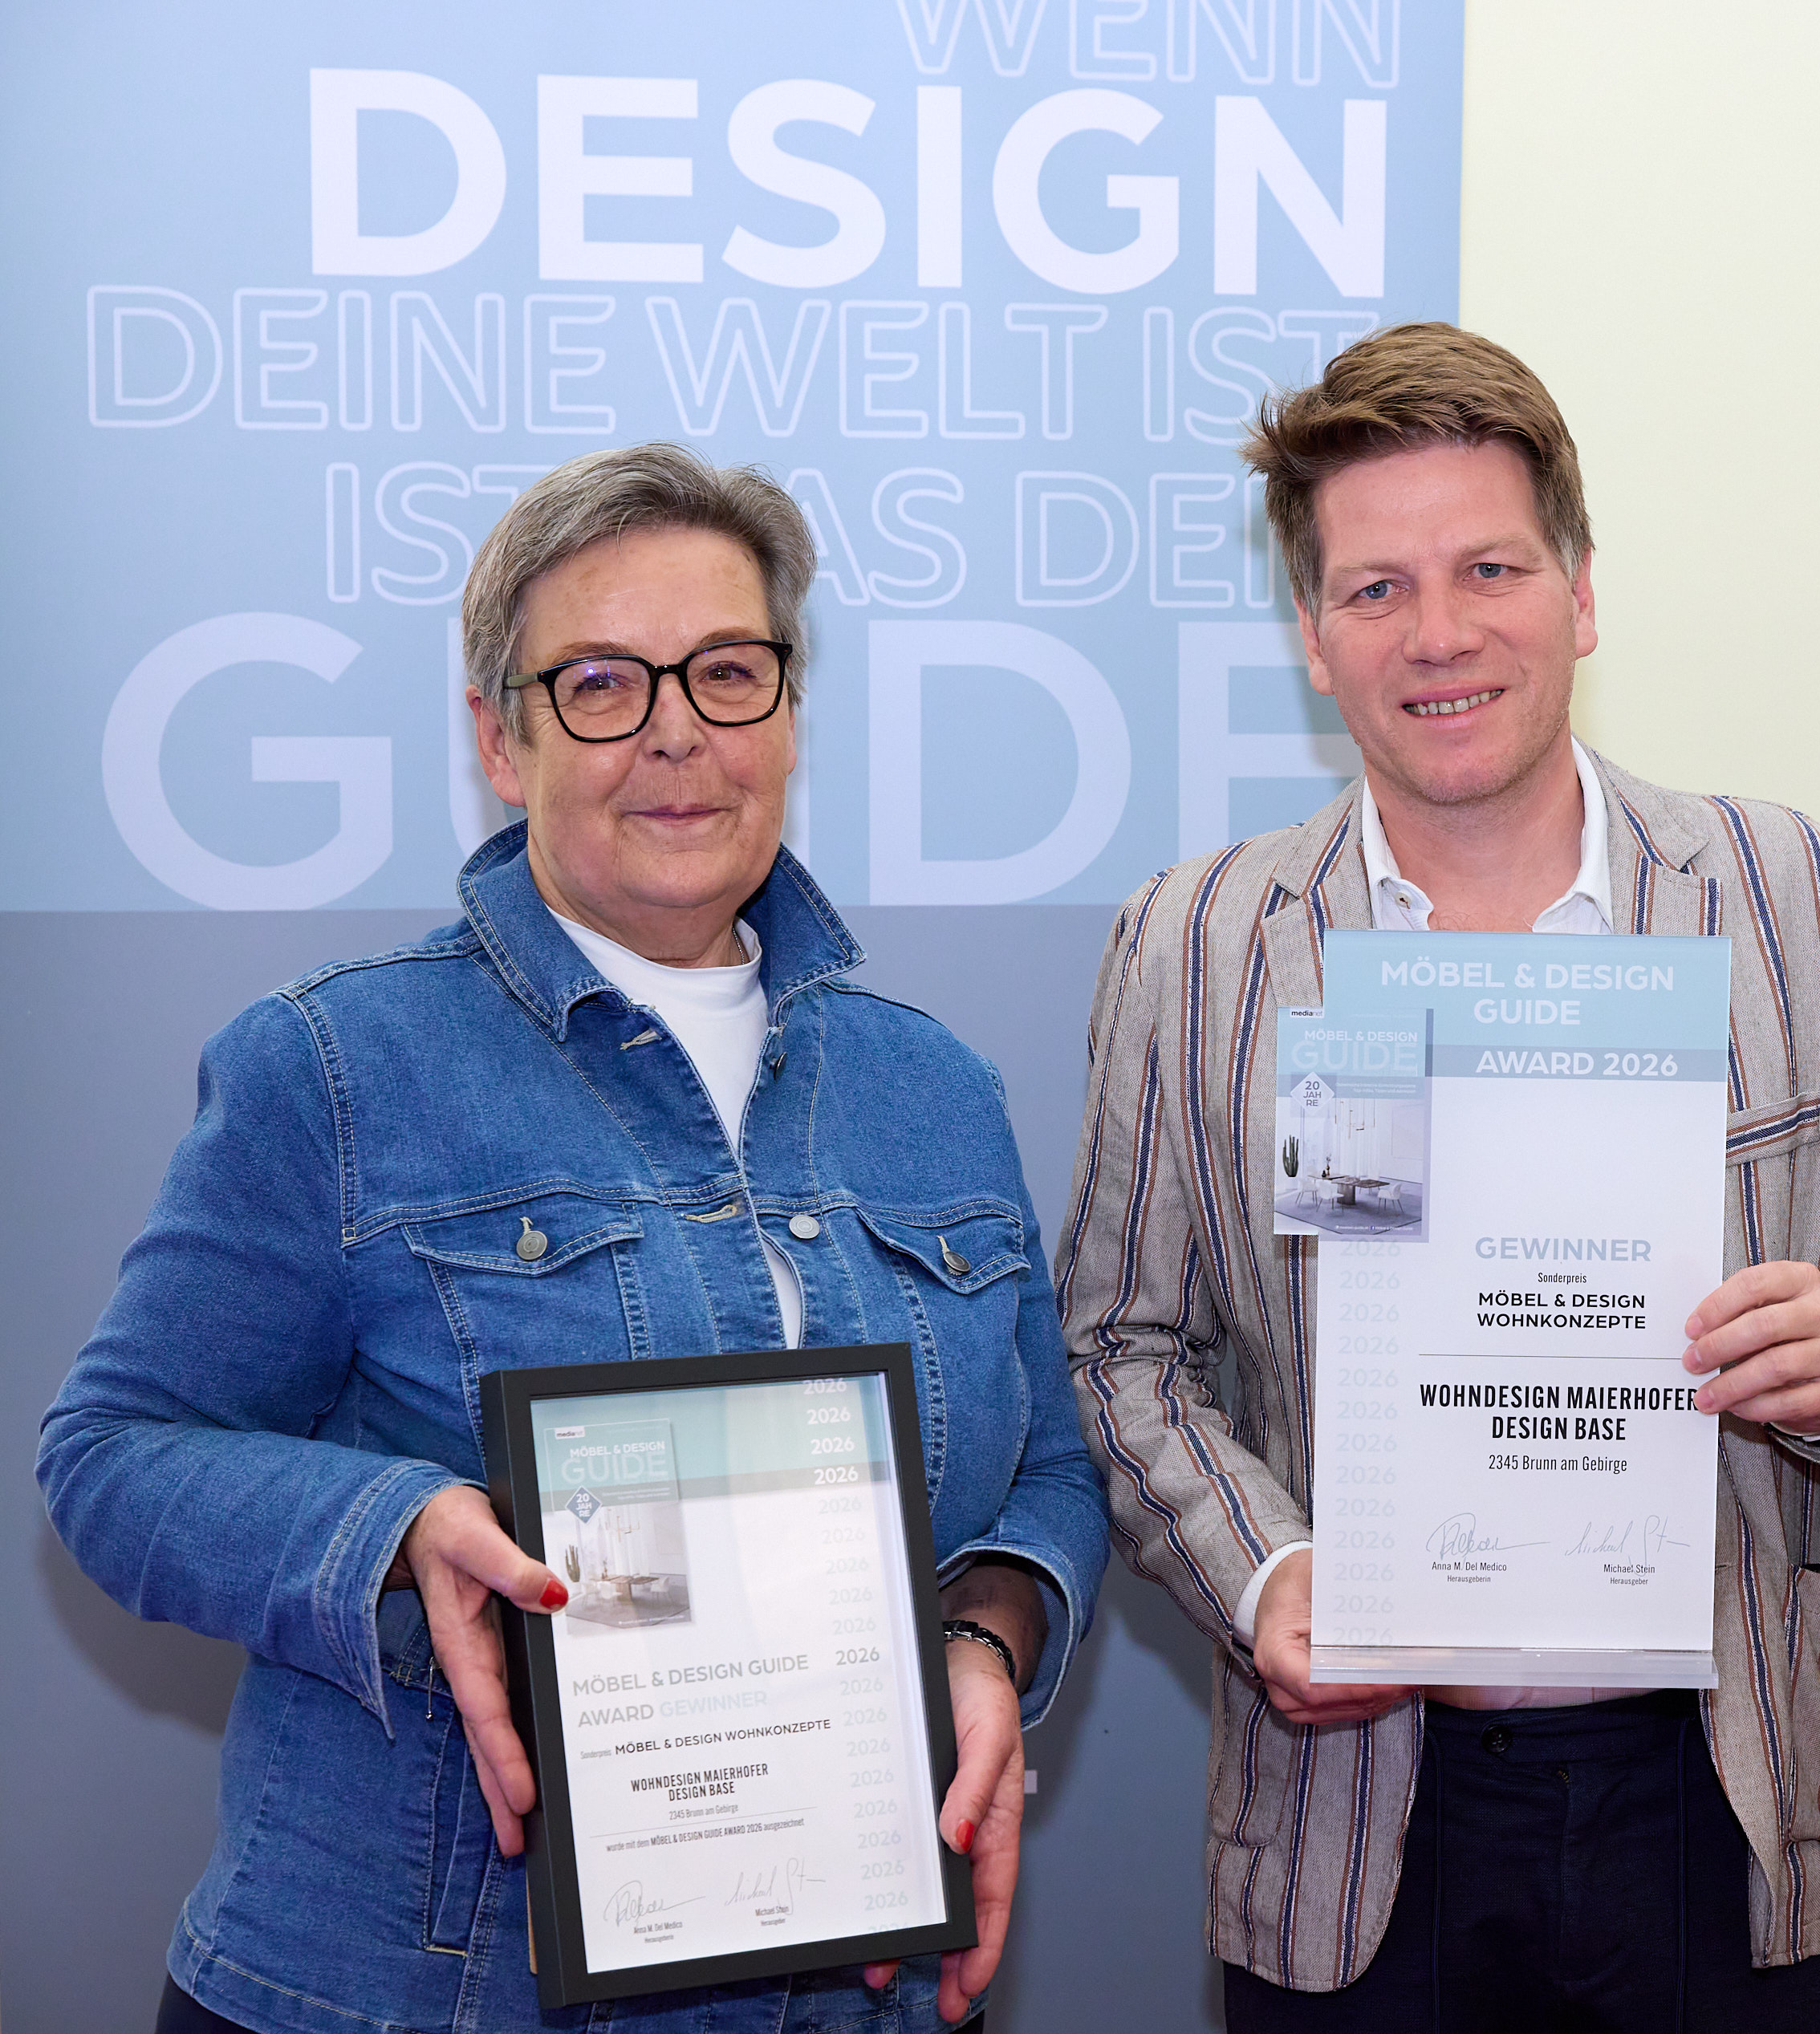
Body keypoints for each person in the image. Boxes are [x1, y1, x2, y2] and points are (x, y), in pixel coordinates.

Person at [39, 443, 1107, 2034]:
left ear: (790, 712)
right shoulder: (334, 1066)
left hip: (849, 1990)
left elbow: (1050, 1474)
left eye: (728, 672)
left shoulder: (935, 1089)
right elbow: (111, 1458)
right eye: (602, 682)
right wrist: (395, 1519)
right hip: (416, 1995)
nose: (677, 731)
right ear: (501, 736)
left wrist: (981, 1633)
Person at [1060, 323, 1820, 2031]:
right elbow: (1118, 1351)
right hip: (1353, 1826)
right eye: (1377, 588)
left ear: (1580, 590)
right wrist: (1264, 1574)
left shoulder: (1789, 889)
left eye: (1490, 568)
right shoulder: (1193, 944)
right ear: (1313, 637)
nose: (1439, 632)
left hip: (1731, 1796)